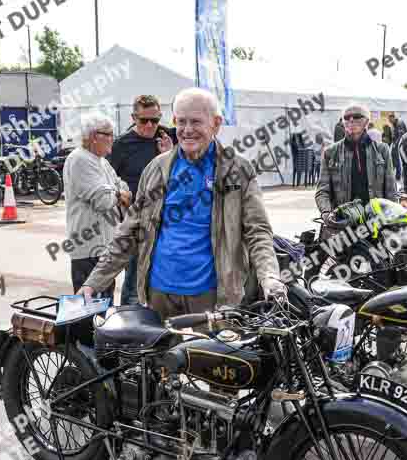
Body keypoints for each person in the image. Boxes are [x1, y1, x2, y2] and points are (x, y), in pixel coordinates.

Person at [79, 88, 284, 319]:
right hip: (159, 293)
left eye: (196, 122)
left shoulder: (237, 170)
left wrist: (269, 277)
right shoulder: (156, 169)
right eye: (181, 122)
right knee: (160, 355)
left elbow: (258, 231)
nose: (187, 130)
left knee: (211, 355)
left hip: (213, 296)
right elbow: (130, 231)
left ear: (216, 124)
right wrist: (93, 283)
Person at [109, 95, 175, 305]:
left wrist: (170, 153)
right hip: (137, 221)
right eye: (143, 120)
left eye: (154, 120)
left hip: (167, 219)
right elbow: (110, 178)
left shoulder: (168, 137)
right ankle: (130, 322)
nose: (149, 125)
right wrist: (122, 196)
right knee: (134, 277)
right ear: (133, 118)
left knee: (162, 273)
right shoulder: (122, 144)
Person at [63, 114, 131, 300]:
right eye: (108, 134)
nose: (113, 138)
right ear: (94, 136)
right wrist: (116, 193)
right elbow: (103, 201)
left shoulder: (101, 161)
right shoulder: (80, 159)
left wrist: (115, 191)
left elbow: (124, 188)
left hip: (105, 247)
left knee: (104, 305)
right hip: (88, 248)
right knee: (90, 309)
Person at [315, 102, 398, 214]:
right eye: (346, 117)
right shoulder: (330, 152)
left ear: (367, 122)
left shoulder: (382, 150)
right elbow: (322, 191)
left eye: (357, 116)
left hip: (375, 219)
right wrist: (326, 212)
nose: (351, 120)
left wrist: (393, 216)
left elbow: (391, 190)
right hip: (343, 220)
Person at [388, 111, 407, 181]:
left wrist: (395, 144)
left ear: (393, 117)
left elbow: (400, 136)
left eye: (390, 120)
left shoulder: (399, 123)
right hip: (396, 143)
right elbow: (393, 136)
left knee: (397, 159)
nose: (390, 122)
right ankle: (392, 174)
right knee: (393, 159)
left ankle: (398, 176)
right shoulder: (393, 124)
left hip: (401, 143)